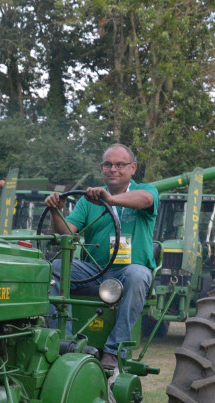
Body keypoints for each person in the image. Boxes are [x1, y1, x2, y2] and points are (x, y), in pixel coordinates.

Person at [44, 144, 159, 370]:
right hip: (95, 271)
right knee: (53, 268)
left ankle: (114, 350)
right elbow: (65, 232)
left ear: (132, 168)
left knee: (138, 274)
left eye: (119, 165)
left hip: (128, 271)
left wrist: (110, 200)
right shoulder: (88, 201)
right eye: (108, 165)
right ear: (101, 168)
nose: (113, 169)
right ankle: (66, 342)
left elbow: (146, 200)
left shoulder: (145, 190)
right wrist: (56, 211)